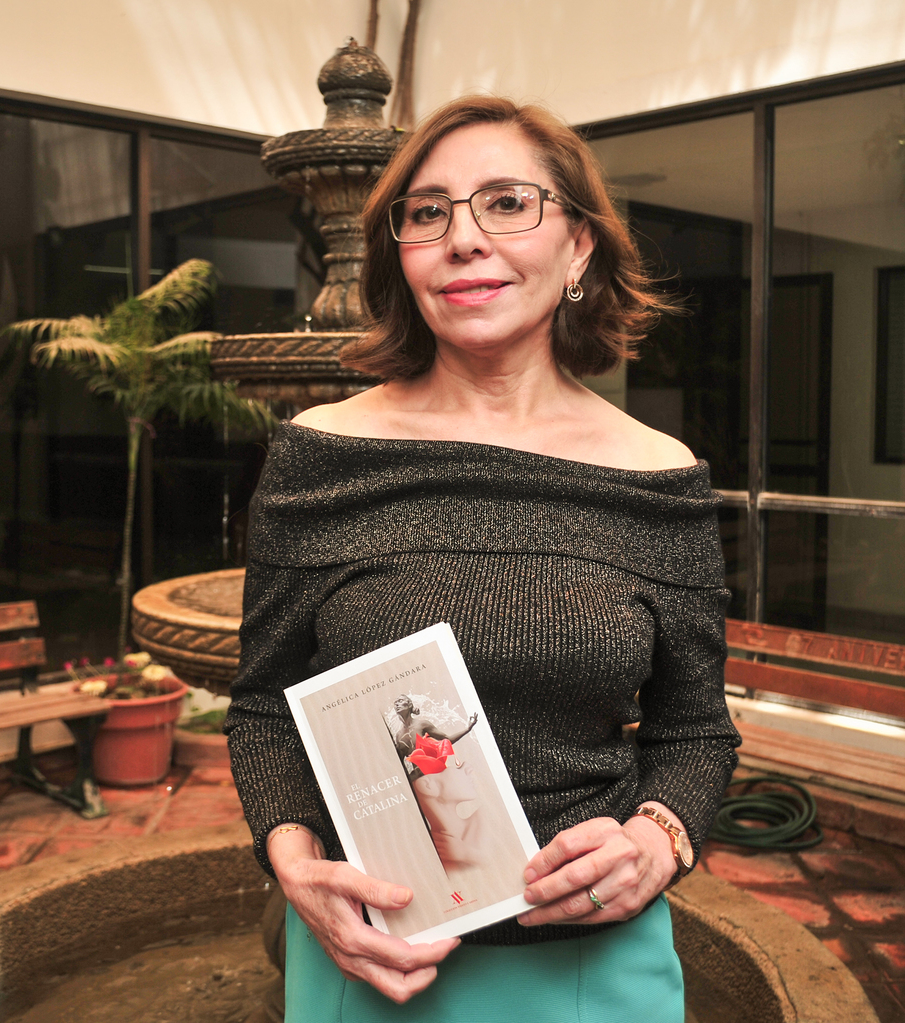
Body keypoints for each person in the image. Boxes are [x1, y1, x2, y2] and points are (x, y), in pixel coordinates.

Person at [224, 94, 741, 1022]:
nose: (463, 238)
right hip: (374, 957)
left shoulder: (660, 478)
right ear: (402, 256)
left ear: (579, 246)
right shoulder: (319, 457)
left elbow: (696, 732)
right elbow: (264, 704)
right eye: (428, 212)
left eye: (507, 202)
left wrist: (661, 839)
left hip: (592, 968)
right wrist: (293, 862)